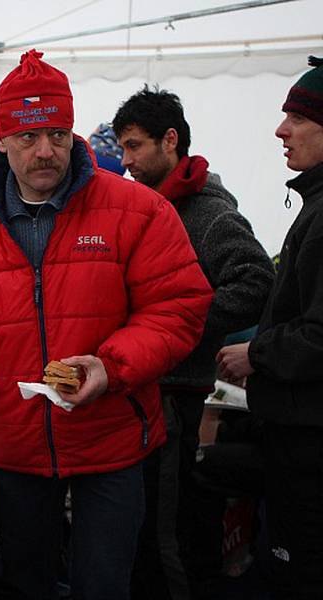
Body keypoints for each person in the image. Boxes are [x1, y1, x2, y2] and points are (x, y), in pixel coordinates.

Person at [0, 50, 213, 600]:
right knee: (26, 581)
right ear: (1, 140)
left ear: (72, 133)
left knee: (104, 584)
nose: (44, 151)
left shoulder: (137, 209)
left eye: (56, 133)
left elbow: (178, 306)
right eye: (27, 138)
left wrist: (109, 365)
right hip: (18, 440)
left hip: (113, 437)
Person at [112, 86, 275, 599]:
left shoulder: (207, 213)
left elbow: (255, 282)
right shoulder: (148, 207)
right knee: (148, 530)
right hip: (143, 391)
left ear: (170, 140)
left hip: (175, 399)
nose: (127, 160)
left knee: (170, 537)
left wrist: (176, 327)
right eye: (122, 148)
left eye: (135, 146)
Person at [217, 56, 323, 599]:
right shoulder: (315, 203)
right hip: (293, 432)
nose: (281, 130)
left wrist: (255, 353)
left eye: (298, 118)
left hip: (309, 443)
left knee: (298, 571)